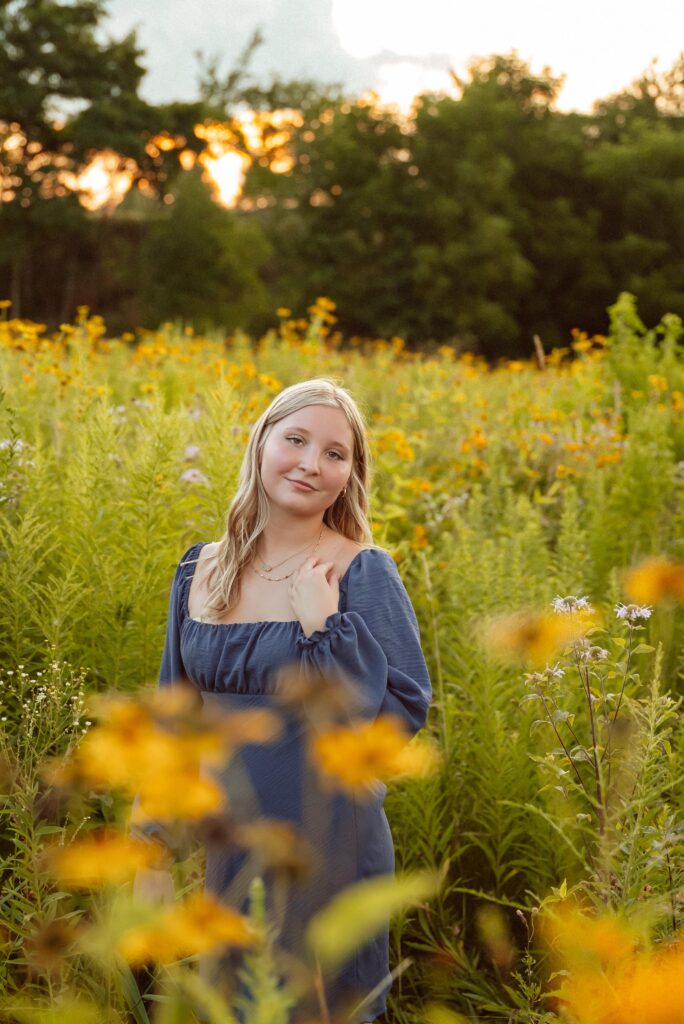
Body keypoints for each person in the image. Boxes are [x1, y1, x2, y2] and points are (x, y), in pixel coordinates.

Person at [131, 377, 432, 1022]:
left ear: (350, 474)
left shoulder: (360, 572)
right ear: (261, 442)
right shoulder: (199, 571)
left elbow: (396, 718)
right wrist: (150, 849)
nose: (310, 464)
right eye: (295, 439)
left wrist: (326, 626)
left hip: (325, 847)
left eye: (334, 453)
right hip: (228, 852)